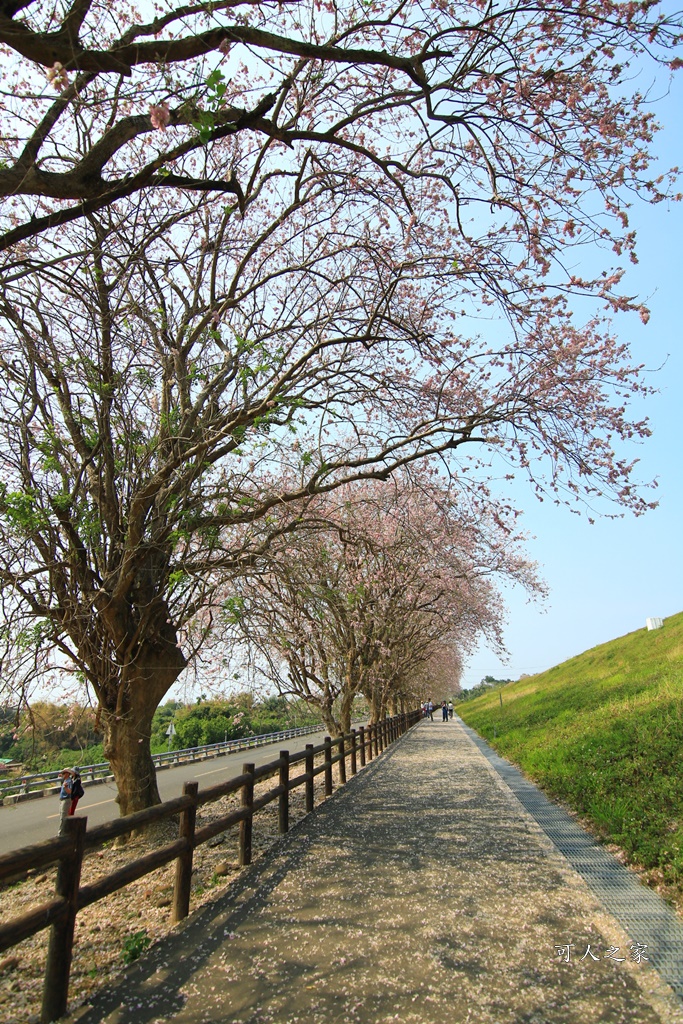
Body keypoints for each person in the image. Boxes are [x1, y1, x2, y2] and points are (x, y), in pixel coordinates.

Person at [58, 769, 74, 835]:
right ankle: (65, 832)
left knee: (63, 817)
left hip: (66, 800)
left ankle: (62, 833)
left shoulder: (69, 781)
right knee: (62, 816)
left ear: (67, 774)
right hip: (62, 800)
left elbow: (70, 791)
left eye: (64, 773)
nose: (62, 775)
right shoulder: (65, 781)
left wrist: (65, 788)